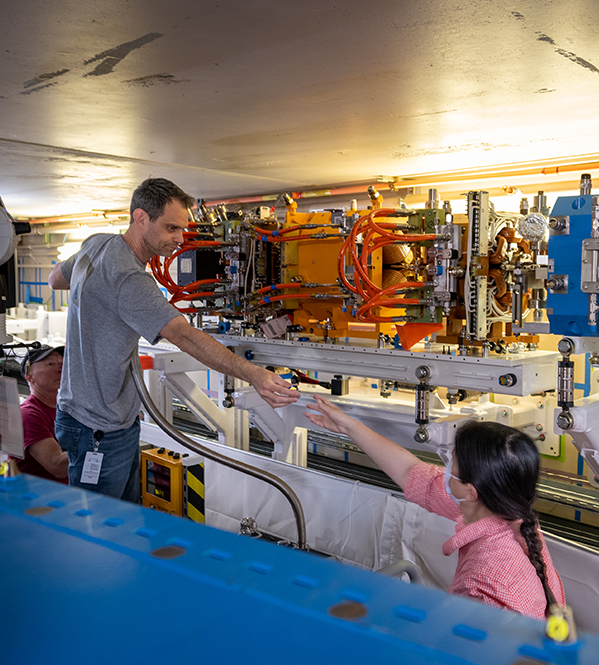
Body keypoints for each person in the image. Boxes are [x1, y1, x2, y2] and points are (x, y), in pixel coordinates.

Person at [48, 177, 299, 501]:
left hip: (90, 414)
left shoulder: (96, 244)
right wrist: (254, 375)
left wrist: (95, 302)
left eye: (182, 229)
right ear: (140, 218)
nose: (180, 239)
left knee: (121, 525)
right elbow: (185, 337)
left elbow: (56, 279)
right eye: (171, 228)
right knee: (99, 532)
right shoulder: (130, 280)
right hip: (98, 428)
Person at [306, 395, 565, 619]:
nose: (442, 474)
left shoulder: (482, 585)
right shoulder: (506, 513)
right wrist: (349, 426)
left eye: (450, 469)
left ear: (470, 491)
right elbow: (412, 473)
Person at [12, 345, 69, 482]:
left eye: (63, 363)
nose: (60, 369)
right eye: (50, 364)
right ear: (29, 376)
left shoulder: (68, 409)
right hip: (39, 498)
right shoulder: (28, 415)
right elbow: (58, 466)